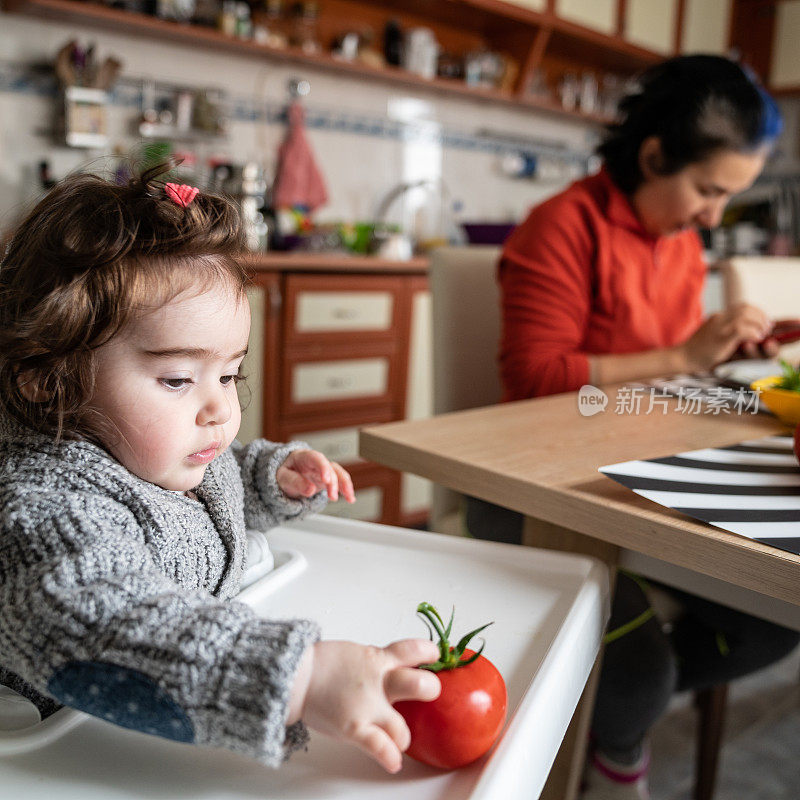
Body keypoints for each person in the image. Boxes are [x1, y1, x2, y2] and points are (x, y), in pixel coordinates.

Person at [0, 165, 441, 774]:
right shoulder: (49, 508)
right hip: (72, 744)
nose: (220, 408)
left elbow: (211, 487)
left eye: (230, 374)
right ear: (51, 381)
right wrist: (300, 679)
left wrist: (268, 478)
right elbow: (105, 622)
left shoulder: (154, 451)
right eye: (178, 379)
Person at [468, 55, 800, 799]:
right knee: (639, 674)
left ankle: (593, 717)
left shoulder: (680, 242)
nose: (715, 217)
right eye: (709, 190)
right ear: (654, 156)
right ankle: (615, 738)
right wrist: (683, 353)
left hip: (637, 482)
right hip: (534, 488)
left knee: (775, 622)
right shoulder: (562, 225)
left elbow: (665, 373)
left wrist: (716, 350)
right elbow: (534, 379)